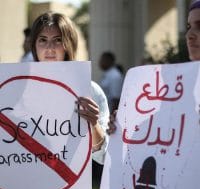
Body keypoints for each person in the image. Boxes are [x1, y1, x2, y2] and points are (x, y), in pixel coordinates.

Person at [107, 0, 200, 135]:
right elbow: (167, 134)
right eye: (189, 26)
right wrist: (126, 125)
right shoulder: (178, 85)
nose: (189, 35)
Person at [30, 11, 109, 165]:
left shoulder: (89, 90)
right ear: (34, 45)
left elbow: (103, 157)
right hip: (23, 180)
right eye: (43, 40)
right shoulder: (15, 88)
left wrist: (93, 125)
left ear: (69, 44)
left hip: (70, 183)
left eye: (58, 40)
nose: (50, 48)